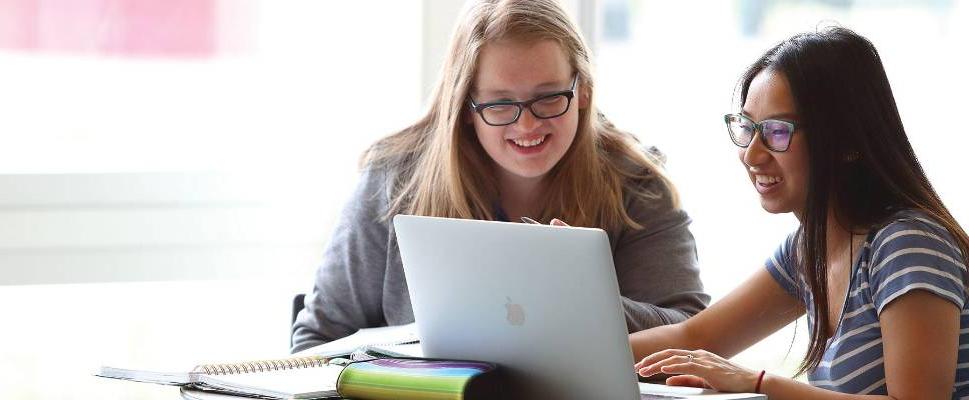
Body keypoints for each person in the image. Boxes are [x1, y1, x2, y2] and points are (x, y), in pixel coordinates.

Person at [290, 0, 709, 353]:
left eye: (548, 98)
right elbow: (315, 342)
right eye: (500, 104)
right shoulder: (393, 180)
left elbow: (696, 334)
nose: (527, 126)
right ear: (465, 106)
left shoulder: (634, 181)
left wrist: (583, 296)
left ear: (582, 90)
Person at [630, 27, 969, 399]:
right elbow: (694, 337)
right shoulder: (810, 249)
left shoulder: (908, 244)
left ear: (848, 142)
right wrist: (565, 355)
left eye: (777, 131)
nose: (752, 154)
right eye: (747, 127)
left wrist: (760, 384)